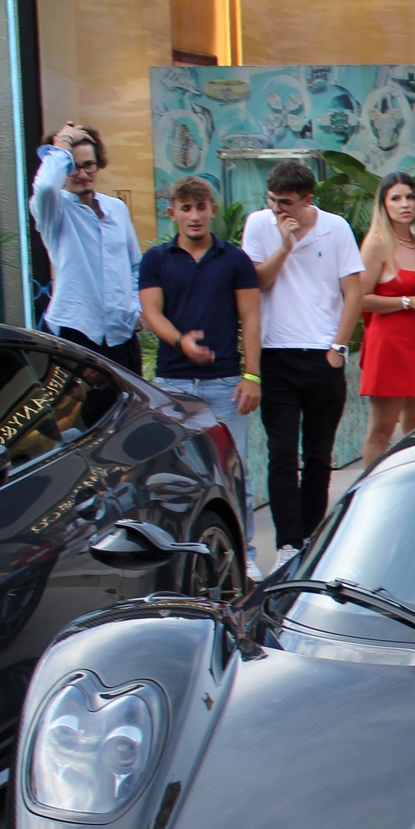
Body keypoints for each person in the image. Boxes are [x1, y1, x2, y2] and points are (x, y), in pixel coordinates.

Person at [241, 158, 363, 553]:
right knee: (280, 455)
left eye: (287, 203)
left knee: (317, 457)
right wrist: (284, 244)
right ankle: (288, 544)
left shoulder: (336, 228)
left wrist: (338, 348)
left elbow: (354, 292)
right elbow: (257, 282)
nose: (278, 209)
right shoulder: (260, 225)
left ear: (308, 199)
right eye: (273, 200)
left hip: (322, 355)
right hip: (277, 354)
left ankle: (311, 539)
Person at [138, 175, 262, 558]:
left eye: (201, 207)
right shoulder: (156, 260)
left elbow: (251, 317)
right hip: (172, 385)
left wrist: (252, 376)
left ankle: (244, 556)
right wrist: (181, 342)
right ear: (172, 212)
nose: (194, 216)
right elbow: (151, 313)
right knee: (173, 475)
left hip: (225, 384)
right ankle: (179, 554)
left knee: (233, 472)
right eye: (186, 208)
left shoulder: (235, 259)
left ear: (212, 210)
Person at [31, 122, 144, 374]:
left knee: (133, 411)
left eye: (88, 165)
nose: (82, 174)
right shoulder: (54, 209)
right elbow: (46, 186)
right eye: (73, 167)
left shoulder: (117, 208)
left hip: (121, 336)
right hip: (76, 333)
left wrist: (136, 308)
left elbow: (135, 266)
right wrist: (63, 141)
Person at [354, 172, 415, 470]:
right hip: (390, 343)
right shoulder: (377, 243)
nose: (404, 204)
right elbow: (358, 298)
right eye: (395, 198)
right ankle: (370, 494)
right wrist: (407, 301)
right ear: (383, 204)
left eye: (410, 197)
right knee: (382, 429)